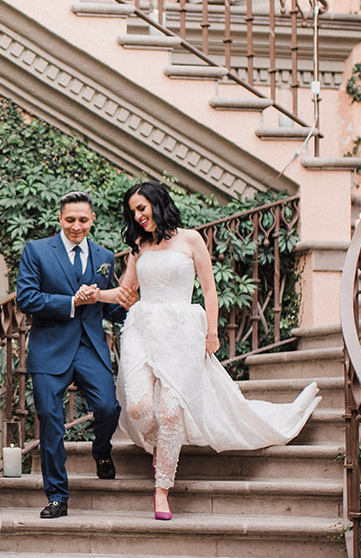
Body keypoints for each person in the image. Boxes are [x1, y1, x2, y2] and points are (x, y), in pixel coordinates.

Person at [108, 180, 320, 520]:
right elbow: (124, 291)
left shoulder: (191, 239)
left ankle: (162, 488)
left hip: (181, 331)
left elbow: (209, 290)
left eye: (142, 209)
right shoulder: (139, 246)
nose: (138, 216)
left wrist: (211, 332)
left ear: (157, 203)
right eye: (133, 212)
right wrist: (89, 295)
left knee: (172, 412)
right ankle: (161, 449)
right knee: (138, 407)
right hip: (142, 329)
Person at [15, 191, 135, 519]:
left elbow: (110, 309)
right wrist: (72, 302)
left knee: (109, 408)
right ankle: (57, 496)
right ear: (60, 219)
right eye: (70, 220)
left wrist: (133, 306)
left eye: (83, 220)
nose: (76, 226)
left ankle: (102, 451)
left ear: (92, 219)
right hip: (49, 349)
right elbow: (26, 299)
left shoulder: (105, 256)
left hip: (90, 347)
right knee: (51, 422)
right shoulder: (37, 251)